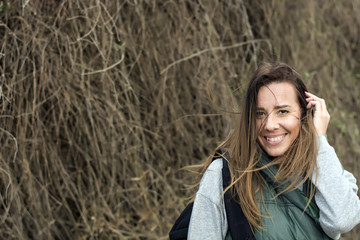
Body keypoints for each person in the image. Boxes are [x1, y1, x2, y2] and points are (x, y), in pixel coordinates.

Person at [187, 62, 360, 239]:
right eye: (260, 114)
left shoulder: (324, 170)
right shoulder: (224, 175)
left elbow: (343, 220)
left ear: (304, 113)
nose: (269, 125)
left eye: (283, 111)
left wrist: (319, 141)